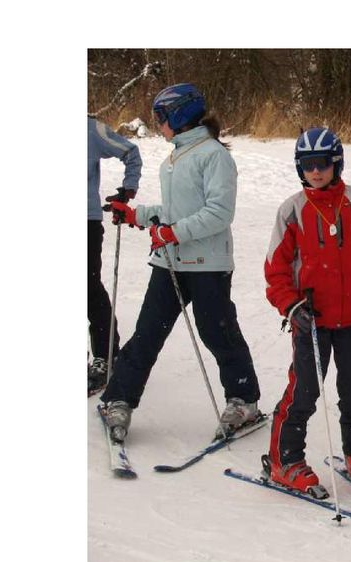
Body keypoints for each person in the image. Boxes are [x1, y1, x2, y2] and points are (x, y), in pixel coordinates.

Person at [99, 84, 261, 444]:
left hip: (207, 264)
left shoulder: (213, 155)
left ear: (180, 115)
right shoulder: (174, 157)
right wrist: (136, 215)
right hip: (170, 261)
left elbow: (219, 213)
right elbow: (174, 213)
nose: (158, 124)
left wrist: (173, 232)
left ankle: (244, 399)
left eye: (161, 117)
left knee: (218, 333)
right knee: (148, 333)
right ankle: (119, 398)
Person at [263, 128, 351, 496]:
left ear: (337, 164)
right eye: (307, 166)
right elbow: (276, 269)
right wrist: (291, 304)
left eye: (323, 164)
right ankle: (285, 459)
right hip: (312, 319)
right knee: (303, 391)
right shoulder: (292, 210)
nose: (315, 172)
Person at [87, 115, 142, 395]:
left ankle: (105, 356)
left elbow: (130, 151)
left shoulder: (88, 128)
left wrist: (128, 187)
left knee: (87, 288)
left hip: (85, 221)